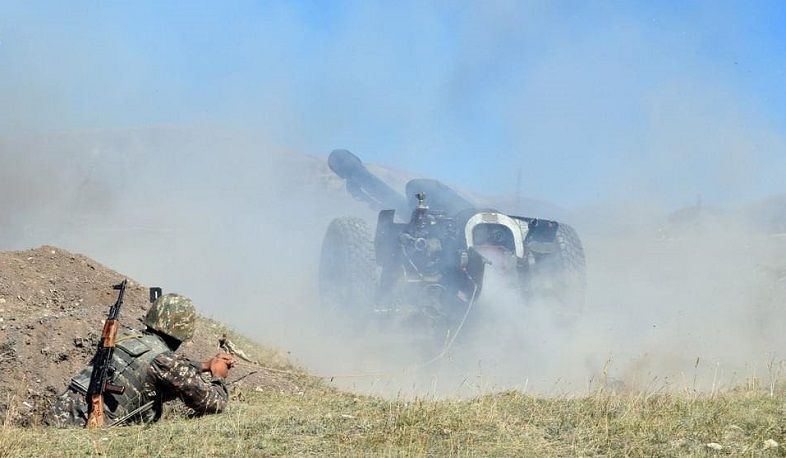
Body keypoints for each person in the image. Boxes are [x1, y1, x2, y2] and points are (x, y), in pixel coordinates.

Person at [44, 293, 236, 427]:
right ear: (182, 331)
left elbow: (162, 364)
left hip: (58, 415)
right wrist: (218, 375)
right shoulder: (165, 361)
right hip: (89, 425)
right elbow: (214, 404)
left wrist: (204, 365)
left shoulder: (129, 337)